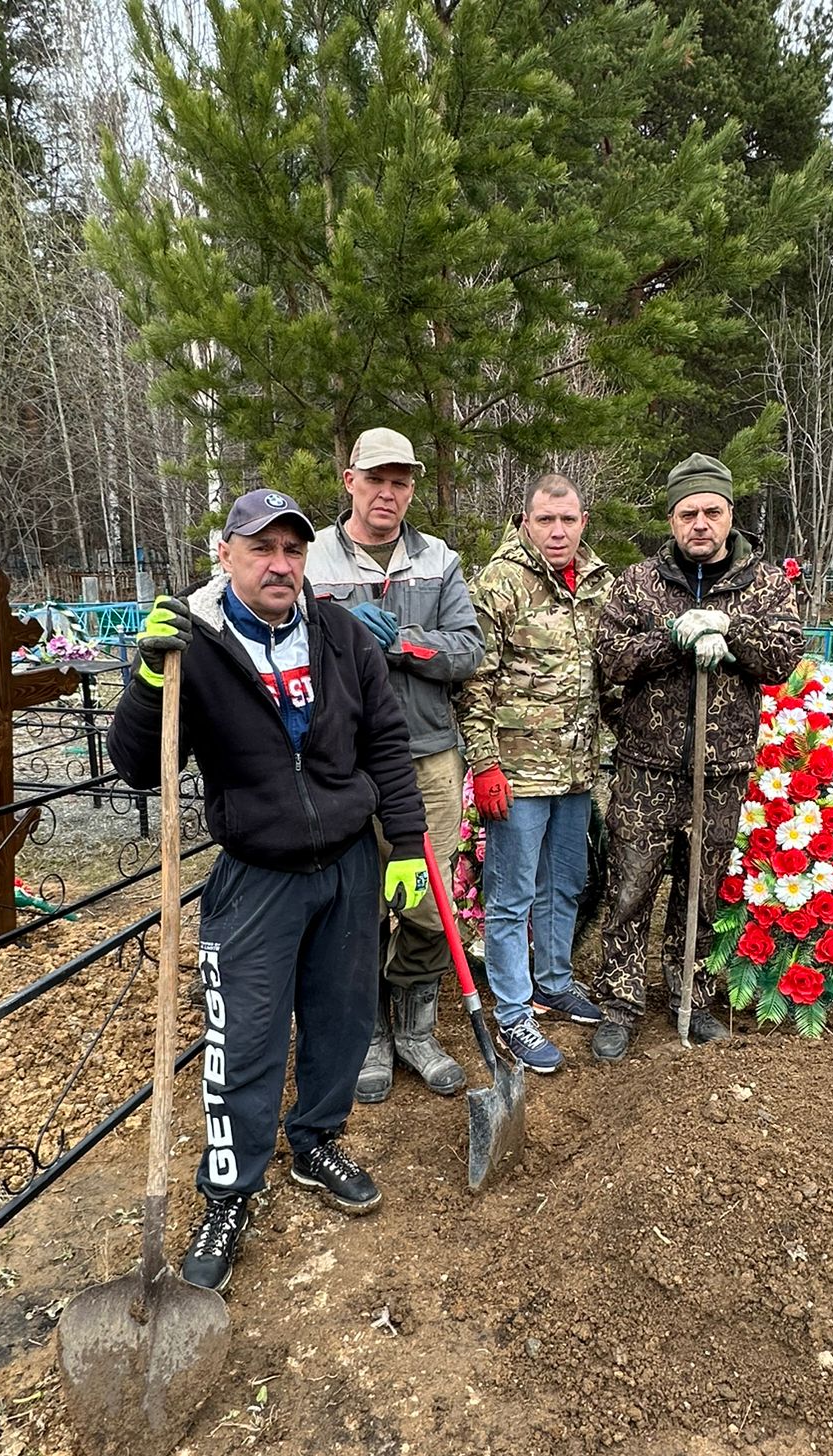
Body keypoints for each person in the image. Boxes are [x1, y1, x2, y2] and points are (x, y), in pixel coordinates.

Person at [107, 487, 429, 1293]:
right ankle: (229, 1192)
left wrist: (409, 843)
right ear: (228, 555)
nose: (280, 565)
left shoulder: (339, 634)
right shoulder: (193, 642)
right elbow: (138, 768)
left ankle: (315, 1139)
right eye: (262, 549)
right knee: (243, 1040)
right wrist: (149, 678)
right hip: (257, 875)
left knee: (344, 1017)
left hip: (350, 864)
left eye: (292, 550)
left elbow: (386, 740)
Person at [590, 453, 804, 1061]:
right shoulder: (637, 583)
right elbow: (612, 658)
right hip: (647, 768)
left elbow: (782, 658)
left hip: (723, 766)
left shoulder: (764, 585)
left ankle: (693, 996)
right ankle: (621, 1003)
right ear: (672, 518)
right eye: (689, 513)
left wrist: (729, 633)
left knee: (703, 890)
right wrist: (672, 637)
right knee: (629, 887)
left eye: (712, 511)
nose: (701, 523)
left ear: (730, 514)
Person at [306, 428, 485, 1103]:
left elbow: (468, 649)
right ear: (349, 479)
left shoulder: (437, 561)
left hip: (426, 759)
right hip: (342, 763)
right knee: (357, 904)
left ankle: (416, 1028)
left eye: (401, 481)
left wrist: (406, 640)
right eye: (376, 478)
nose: (389, 492)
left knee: (429, 903)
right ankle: (370, 1034)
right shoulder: (313, 561)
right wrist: (345, 627)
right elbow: (280, 635)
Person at [457, 473, 614, 1073]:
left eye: (567, 520)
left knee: (564, 884)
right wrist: (486, 763)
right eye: (545, 520)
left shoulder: (597, 584)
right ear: (526, 521)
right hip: (518, 776)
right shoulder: (500, 583)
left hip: (574, 771)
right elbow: (474, 682)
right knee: (511, 895)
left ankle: (552, 980)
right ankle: (513, 1011)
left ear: (583, 522)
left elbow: (607, 673)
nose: (557, 531)